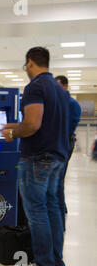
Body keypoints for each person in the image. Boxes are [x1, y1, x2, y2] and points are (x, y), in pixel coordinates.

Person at [2, 47, 70, 266]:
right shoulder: (60, 91)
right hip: (57, 158)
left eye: (26, 66)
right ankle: (56, 262)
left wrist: (12, 134)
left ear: (30, 63)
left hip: (37, 159)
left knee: (37, 212)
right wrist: (15, 125)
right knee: (52, 210)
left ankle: (42, 265)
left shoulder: (35, 87)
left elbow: (32, 124)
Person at [55, 75, 82, 231]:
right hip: (61, 144)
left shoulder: (70, 104)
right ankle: (61, 208)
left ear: (65, 86)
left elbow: (66, 128)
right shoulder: (65, 103)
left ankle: (59, 215)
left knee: (57, 180)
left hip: (63, 145)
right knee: (57, 181)